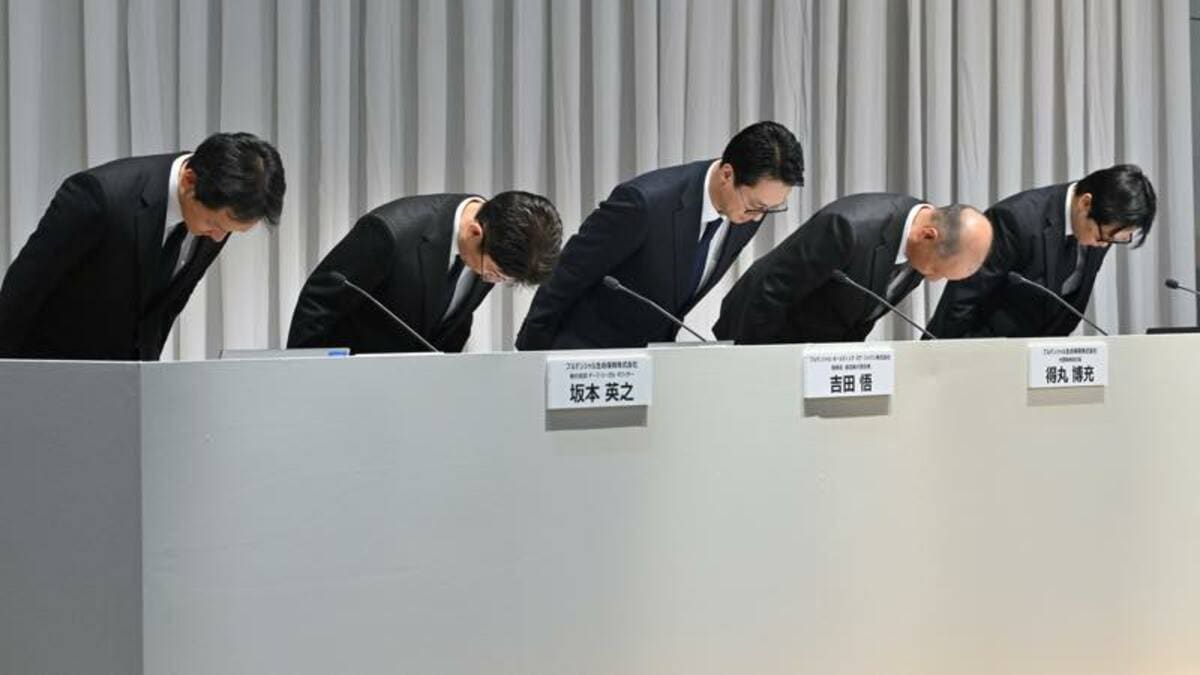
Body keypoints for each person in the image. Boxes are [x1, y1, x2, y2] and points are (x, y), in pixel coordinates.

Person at [515, 121, 804, 350]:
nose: (758, 217)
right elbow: (567, 274)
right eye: (756, 206)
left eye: (771, 208)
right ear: (727, 175)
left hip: (650, 361)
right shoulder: (644, 204)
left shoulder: (746, 213)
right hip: (585, 354)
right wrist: (533, 354)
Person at [0, 132, 285, 360]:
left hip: (128, 389)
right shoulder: (100, 197)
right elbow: (21, 291)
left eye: (230, 231)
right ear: (189, 181)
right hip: (51, 371)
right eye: (215, 224)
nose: (218, 238)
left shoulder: (220, 213)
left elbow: (162, 310)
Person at [288, 191, 562, 353]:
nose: (492, 280)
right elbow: (318, 304)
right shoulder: (390, 232)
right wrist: (301, 380)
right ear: (474, 232)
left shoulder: (500, 242)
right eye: (496, 274)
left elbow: (451, 322)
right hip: (351, 378)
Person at [713, 194, 993, 344]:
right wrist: (759, 364)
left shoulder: (924, 243)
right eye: (938, 271)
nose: (934, 279)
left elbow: (859, 314)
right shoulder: (848, 228)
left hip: (819, 355)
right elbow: (769, 292)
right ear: (928, 235)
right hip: (760, 335)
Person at [927, 164, 1156, 338]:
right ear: (1086, 203)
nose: (1104, 245)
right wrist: (948, 361)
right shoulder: (1016, 219)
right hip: (983, 350)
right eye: (1103, 236)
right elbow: (962, 300)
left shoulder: (1101, 229)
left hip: (1040, 363)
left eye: (1115, 240)